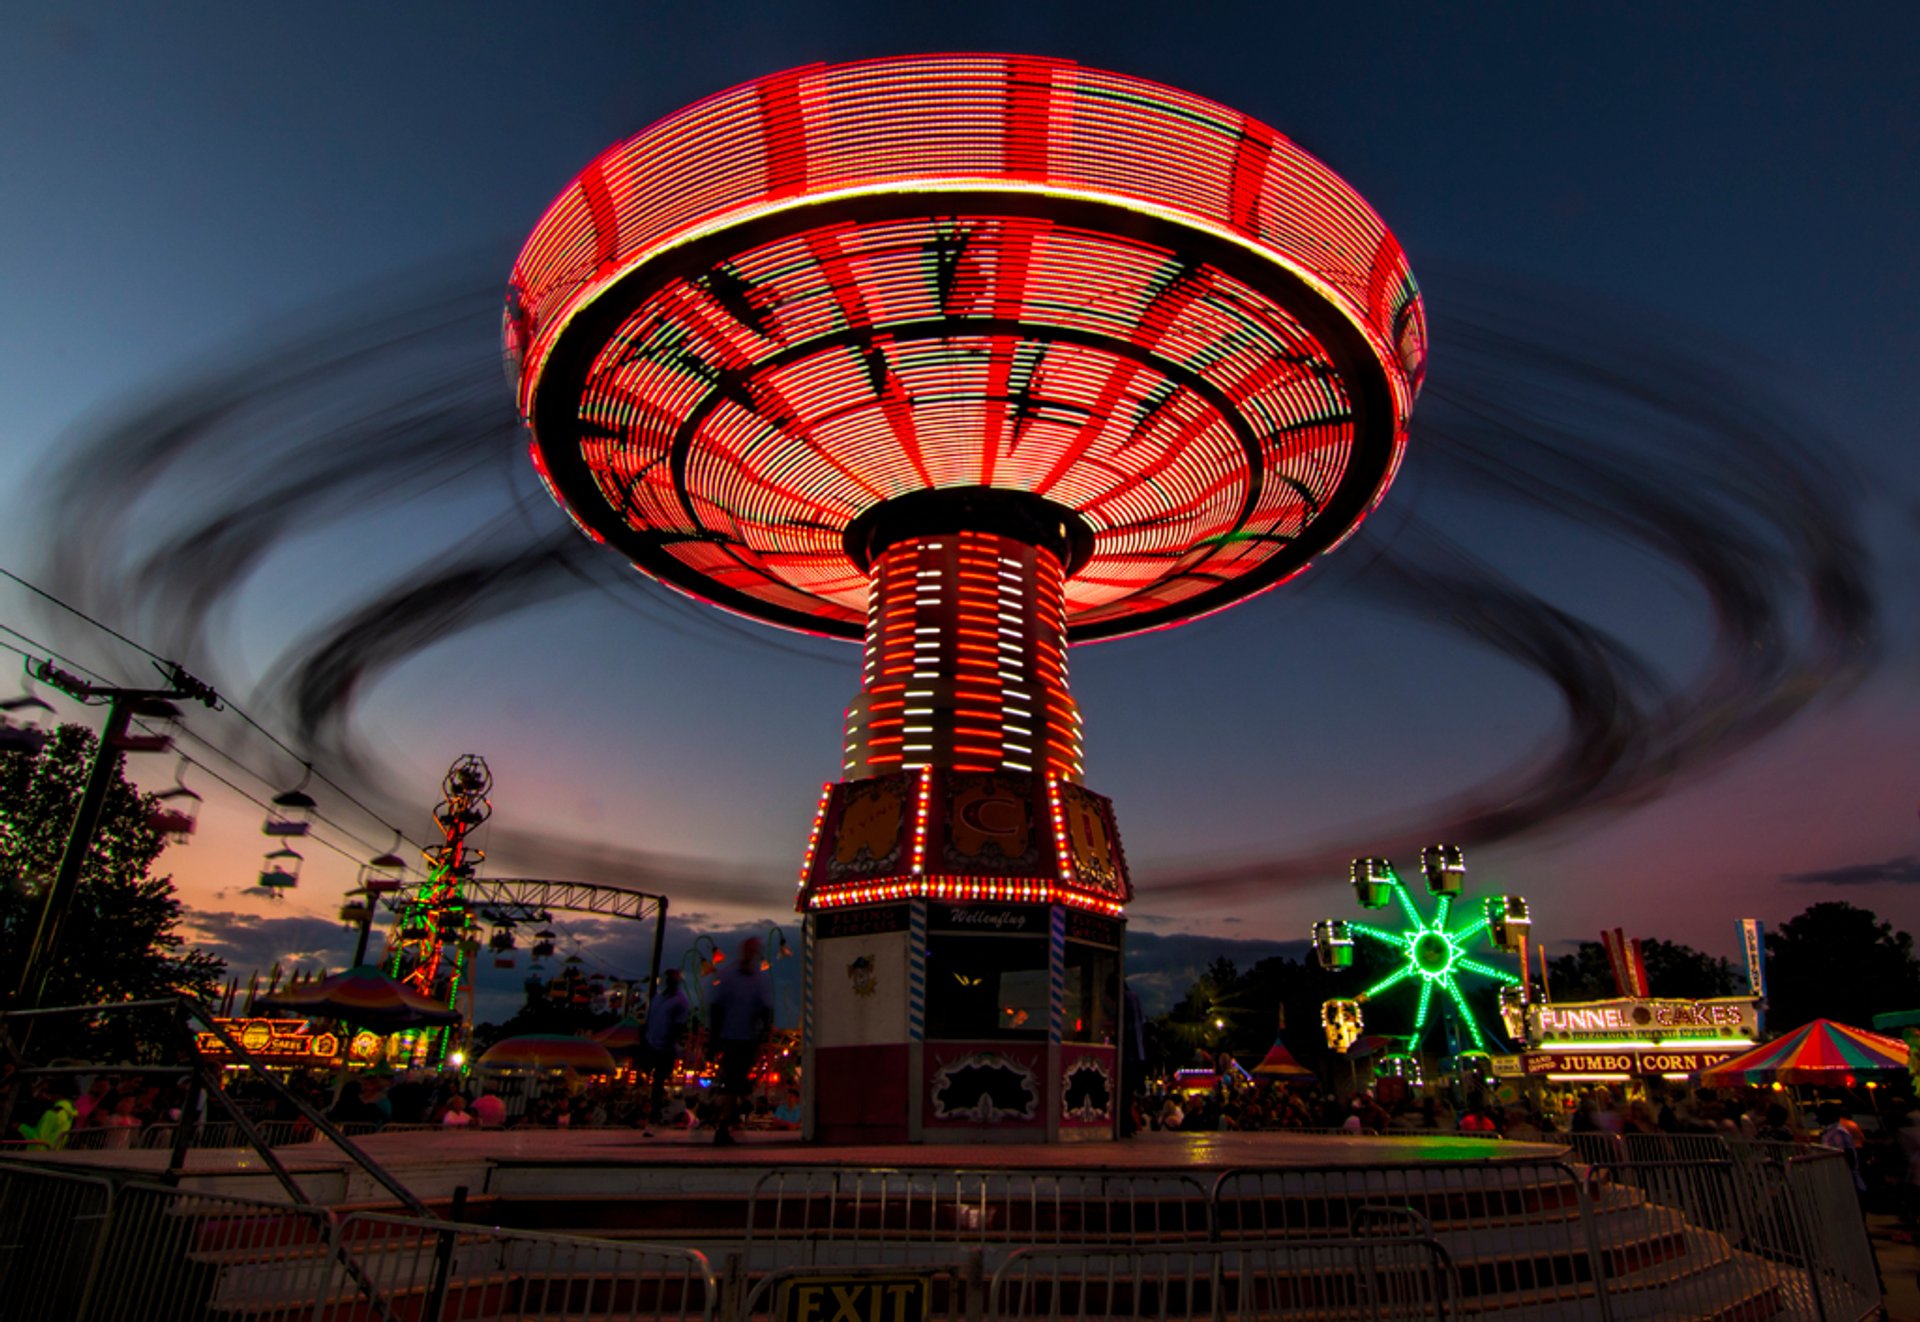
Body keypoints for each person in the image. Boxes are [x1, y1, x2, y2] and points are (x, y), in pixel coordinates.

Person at [706, 937, 773, 1145]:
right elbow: (716, 1009)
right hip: (731, 1036)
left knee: (737, 1081)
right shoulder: (730, 976)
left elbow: (765, 1009)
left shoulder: (757, 979)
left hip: (745, 1037)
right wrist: (714, 1038)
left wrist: (764, 1031)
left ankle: (730, 1115)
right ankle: (726, 1122)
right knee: (733, 1082)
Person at [639, 969, 692, 1137]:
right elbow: (648, 1021)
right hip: (651, 1043)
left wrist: (669, 1045)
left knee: (658, 1081)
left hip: (665, 1047)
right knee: (654, 1081)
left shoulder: (680, 1001)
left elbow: (679, 1027)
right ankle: (653, 1117)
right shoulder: (657, 999)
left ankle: (655, 1118)